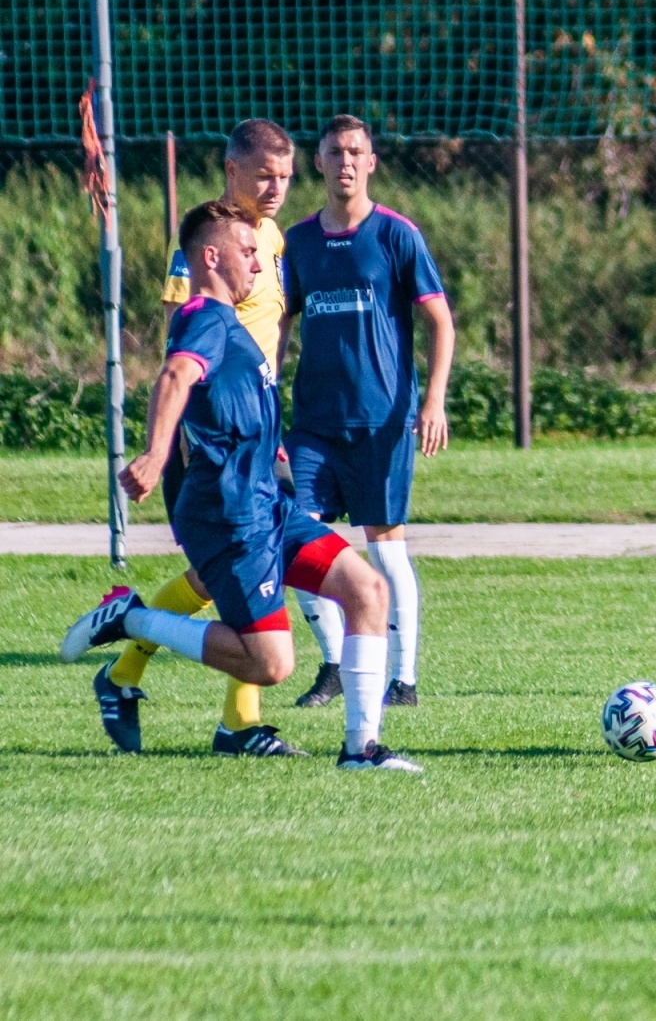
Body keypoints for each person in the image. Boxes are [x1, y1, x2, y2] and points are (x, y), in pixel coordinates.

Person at [62, 200, 421, 771]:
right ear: (212, 255)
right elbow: (176, 375)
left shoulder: (233, 323)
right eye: (248, 251)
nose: (258, 264)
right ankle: (131, 619)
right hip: (231, 517)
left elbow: (231, 402)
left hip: (269, 506)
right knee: (269, 665)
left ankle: (361, 750)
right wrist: (155, 454)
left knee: (368, 591)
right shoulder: (203, 315)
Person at [94, 118, 303, 757]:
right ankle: (229, 720)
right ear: (232, 170)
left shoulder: (272, 241)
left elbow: (276, 330)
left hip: (256, 435)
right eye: (264, 175)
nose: (275, 189)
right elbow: (181, 342)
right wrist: (174, 440)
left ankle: (131, 674)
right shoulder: (202, 245)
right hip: (212, 440)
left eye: (286, 178)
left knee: (230, 579)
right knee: (236, 577)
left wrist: (272, 422)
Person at [282, 114, 456, 710]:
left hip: (383, 421)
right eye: (335, 152)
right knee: (296, 539)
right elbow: (281, 319)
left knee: (385, 548)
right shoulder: (298, 242)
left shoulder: (397, 236)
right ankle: (333, 663)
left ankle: (402, 680)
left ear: (372, 161)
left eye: (356, 151)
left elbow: (440, 320)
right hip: (313, 423)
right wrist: (265, 387)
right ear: (320, 163)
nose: (346, 161)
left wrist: (432, 401)